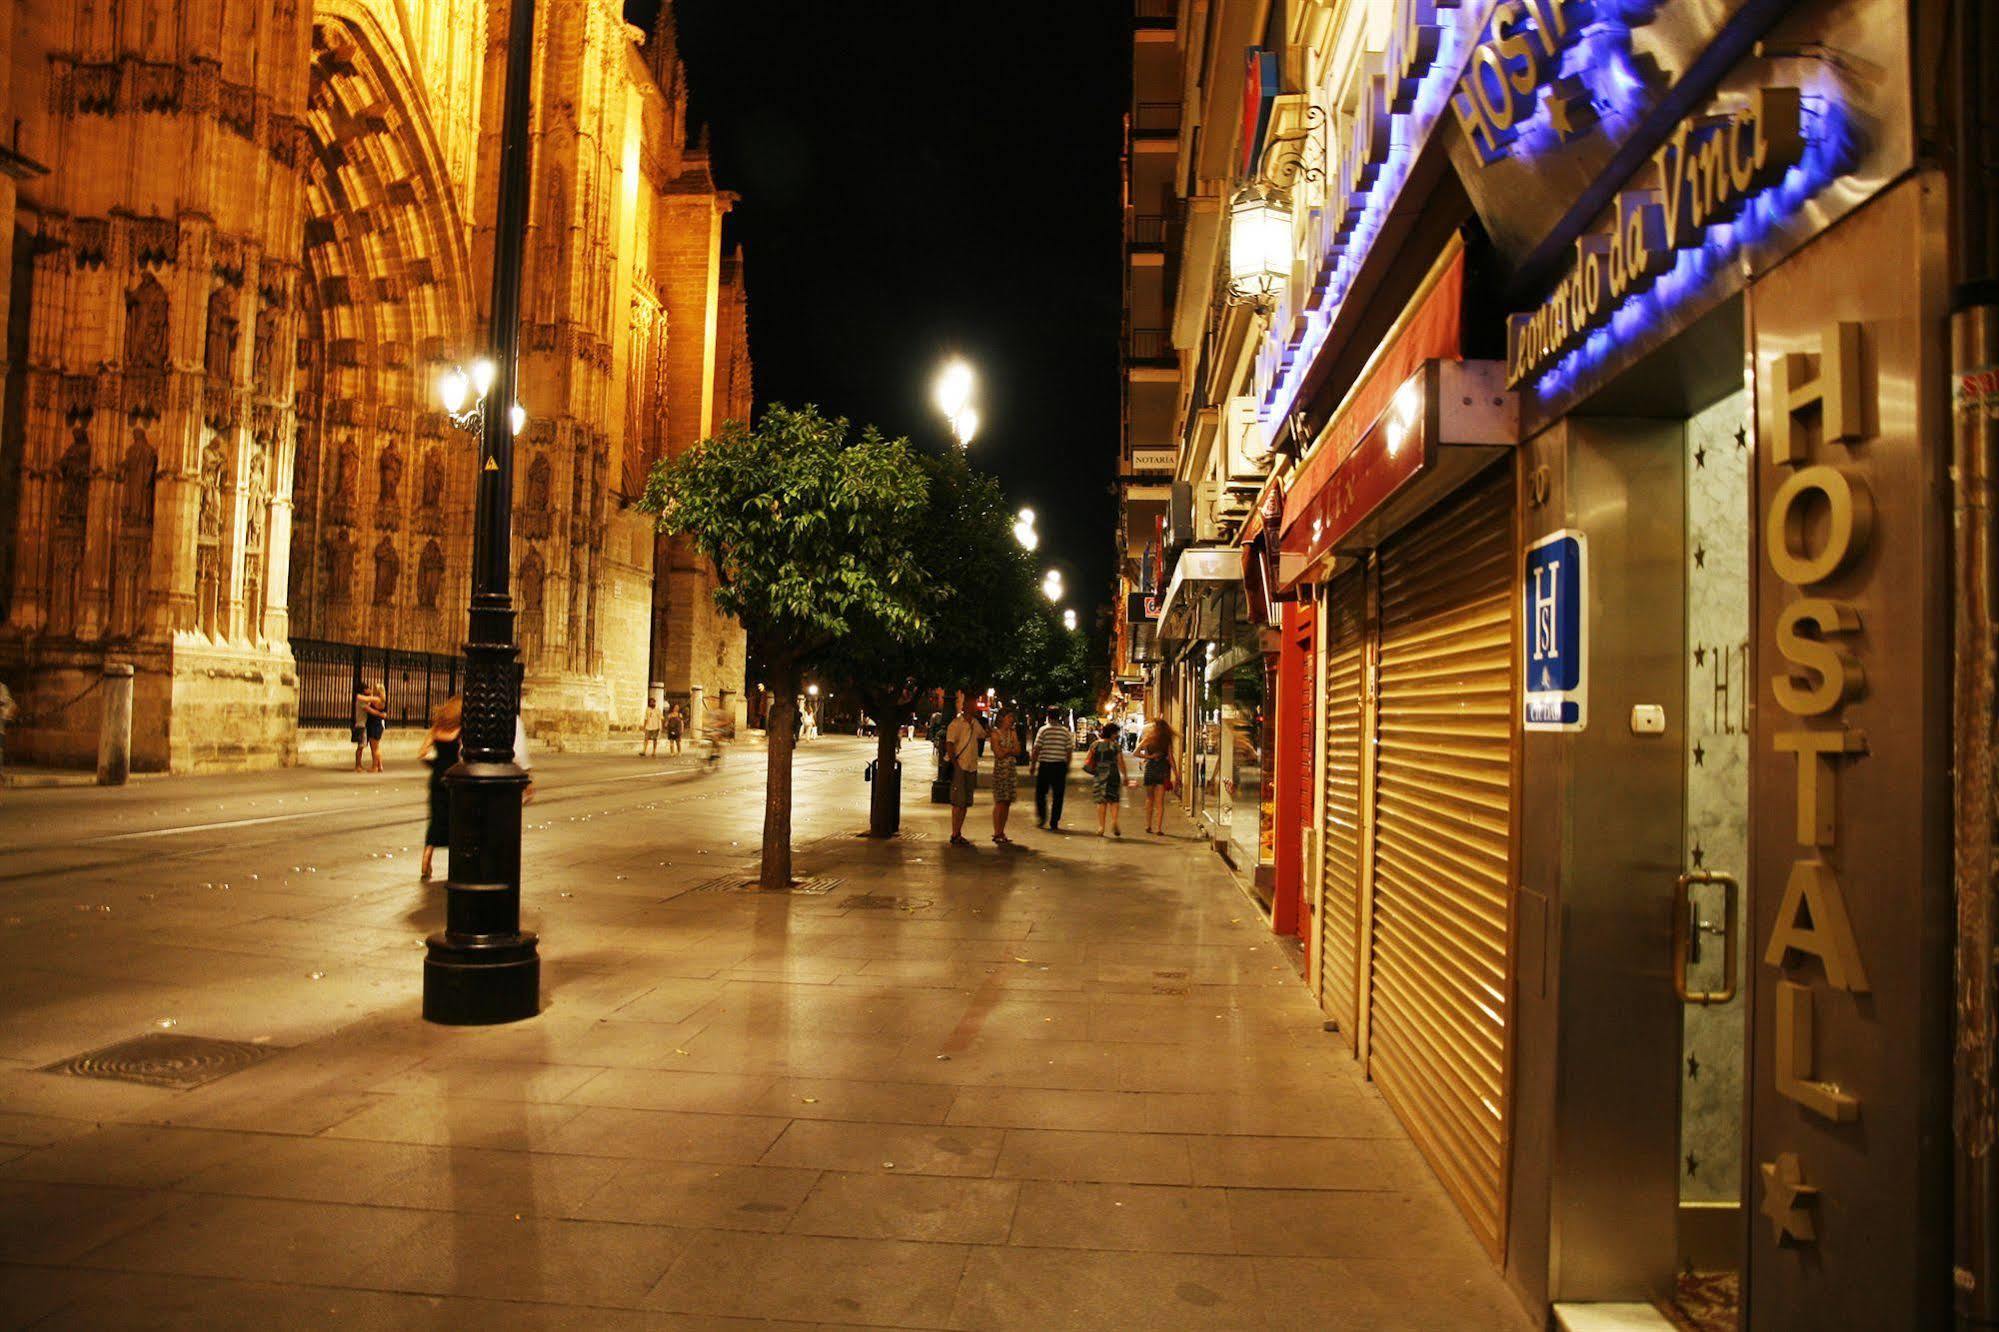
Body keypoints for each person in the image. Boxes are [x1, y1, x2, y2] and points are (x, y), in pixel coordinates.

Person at [419, 696, 463, 882]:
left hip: (437, 777)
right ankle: (457, 862)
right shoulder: (460, 730)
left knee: (435, 817)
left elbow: (421, 753)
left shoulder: (436, 729)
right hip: (454, 778)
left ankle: (427, 855)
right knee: (455, 818)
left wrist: (435, 764)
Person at [944, 690, 988, 846]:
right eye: (971, 705)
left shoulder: (975, 724)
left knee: (965, 802)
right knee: (958, 802)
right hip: (961, 767)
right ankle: (955, 833)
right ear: (965, 706)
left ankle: (958, 832)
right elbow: (949, 744)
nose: (974, 707)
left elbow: (983, 734)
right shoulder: (956, 724)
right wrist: (956, 765)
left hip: (971, 767)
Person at [1031, 706, 1075, 831]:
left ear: (1048, 716)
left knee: (1041, 793)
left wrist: (1033, 764)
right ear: (1059, 716)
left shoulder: (1043, 730)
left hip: (1045, 765)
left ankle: (1042, 817)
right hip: (1059, 766)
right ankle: (1054, 821)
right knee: (1058, 795)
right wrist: (1068, 765)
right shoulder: (1065, 732)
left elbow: (1036, 748)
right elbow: (1069, 751)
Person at [1136, 717, 1177, 835]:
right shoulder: (1166, 741)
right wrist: (1176, 774)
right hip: (1162, 770)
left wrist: (1149, 757)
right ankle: (1158, 828)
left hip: (1150, 770)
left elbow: (1136, 753)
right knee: (1160, 802)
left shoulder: (1148, 739)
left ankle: (1148, 826)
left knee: (1149, 799)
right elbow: (1171, 758)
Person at [1084, 721, 1126, 837]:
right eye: (1116, 733)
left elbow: (1087, 760)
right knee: (1114, 798)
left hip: (1100, 772)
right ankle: (1114, 820)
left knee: (1101, 800)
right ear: (1111, 733)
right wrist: (1125, 776)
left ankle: (1101, 827)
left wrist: (1093, 770)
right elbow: (1120, 762)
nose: (1117, 735)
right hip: (1113, 772)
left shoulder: (1095, 744)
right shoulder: (1115, 746)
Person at [988, 707, 1020, 845]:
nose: (1011, 720)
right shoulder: (995, 734)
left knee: (1007, 802)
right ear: (1002, 718)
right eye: (1009, 717)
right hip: (1001, 771)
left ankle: (1002, 831)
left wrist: (1007, 750)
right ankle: (997, 832)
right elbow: (999, 754)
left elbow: (1018, 750)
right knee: (1000, 802)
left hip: (1011, 771)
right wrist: (1009, 750)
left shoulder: (1012, 733)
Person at [356, 683, 388, 773]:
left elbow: (361, 698)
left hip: (374, 725)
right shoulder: (381, 700)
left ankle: (375, 767)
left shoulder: (376, 699)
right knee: (376, 747)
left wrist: (366, 693)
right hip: (377, 724)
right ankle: (380, 766)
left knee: (374, 748)